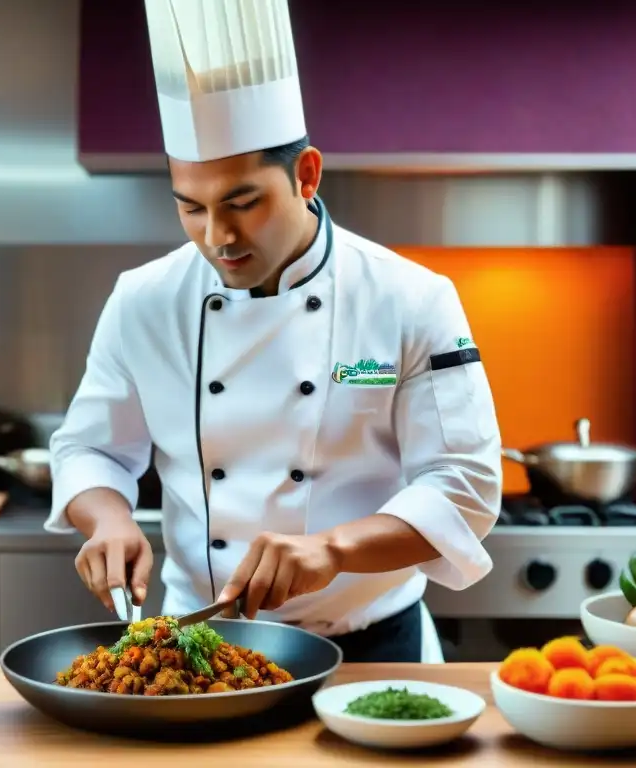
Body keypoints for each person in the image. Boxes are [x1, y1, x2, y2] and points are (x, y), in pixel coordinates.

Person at [45, 0, 502, 663]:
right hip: (199, 649)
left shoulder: (411, 298)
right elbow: (88, 450)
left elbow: (463, 486)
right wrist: (109, 518)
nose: (218, 237)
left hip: (371, 650)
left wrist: (333, 550)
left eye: (242, 203)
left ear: (306, 175)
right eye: (191, 208)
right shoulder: (143, 300)